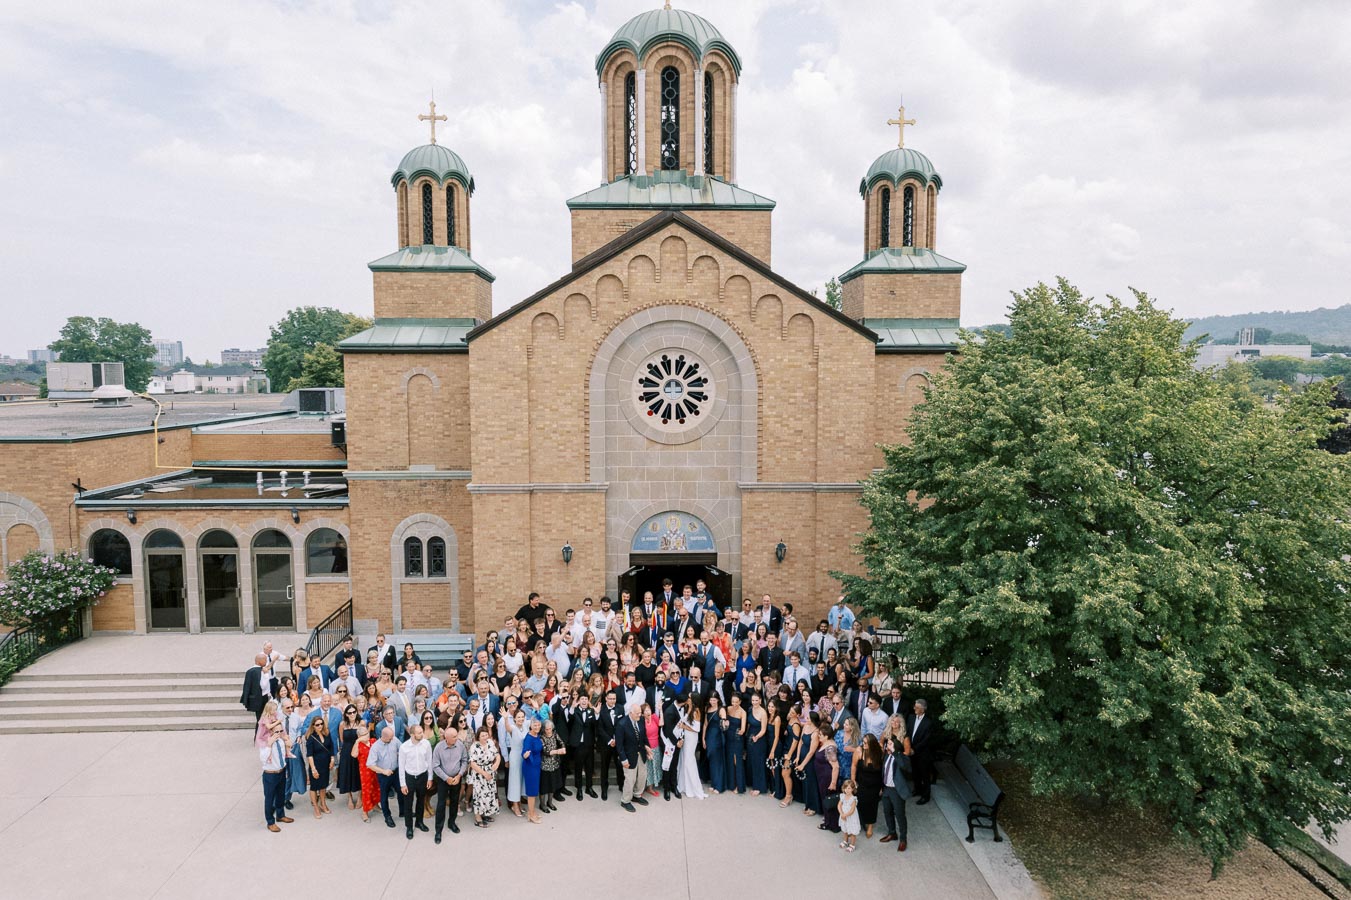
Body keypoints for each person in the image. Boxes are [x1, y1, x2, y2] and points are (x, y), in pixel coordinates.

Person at [431, 724, 468, 842]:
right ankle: (438, 830)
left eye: (456, 736)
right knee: (441, 804)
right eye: (454, 737)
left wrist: (459, 775)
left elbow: (464, 760)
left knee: (454, 802)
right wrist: (446, 778)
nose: (456, 738)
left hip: (456, 778)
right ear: (447, 738)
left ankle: (452, 823)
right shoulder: (438, 747)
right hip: (443, 780)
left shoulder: (460, 745)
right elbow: (435, 766)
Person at [614, 699, 651, 813]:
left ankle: (637, 795)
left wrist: (647, 747)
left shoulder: (640, 721)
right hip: (629, 756)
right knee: (630, 779)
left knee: (642, 776)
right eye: (637, 713)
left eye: (640, 713)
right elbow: (619, 745)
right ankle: (625, 801)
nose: (640, 715)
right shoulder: (622, 724)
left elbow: (643, 736)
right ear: (631, 713)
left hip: (641, 754)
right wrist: (624, 759)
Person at [398, 723, 433, 839]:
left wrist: (430, 778)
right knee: (408, 803)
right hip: (409, 778)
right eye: (419, 733)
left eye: (422, 732)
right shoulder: (404, 747)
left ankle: (419, 822)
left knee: (420, 800)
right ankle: (409, 827)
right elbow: (401, 767)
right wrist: (403, 784)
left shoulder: (426, 744)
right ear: (412, 734)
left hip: (422, 776)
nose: (422, 734)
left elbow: (429, 761)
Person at [879, 733, 913, 852]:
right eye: (887, 743)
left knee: (899, 815)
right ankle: (892, 833)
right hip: (886, 789)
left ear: (896, 746)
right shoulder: (886, 756)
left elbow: (905, 767)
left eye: (890, 743)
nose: (887, 745)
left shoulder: (902, 757)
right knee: (887, 812)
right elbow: (883, 771)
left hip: (897, 791)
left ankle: (903, 839)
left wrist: (894, 752)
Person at [260, 717, 294, 832]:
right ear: (270, 731)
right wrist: (269, 745)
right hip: (270, 774)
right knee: (269, 799)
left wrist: (288, 742)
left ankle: (280, 815)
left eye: (281, 731)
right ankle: (270, 822)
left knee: (281, 796)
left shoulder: (280, 740)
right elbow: (263, 759)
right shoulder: (265, 743)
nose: (279, 733)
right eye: (276, 731)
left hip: (281, 771)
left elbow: (285, 753)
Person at [367, 725, 403, 827]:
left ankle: (403, 812)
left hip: (395, 772)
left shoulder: (394, 739)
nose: (392, 740)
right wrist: (383, 771)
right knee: (384, 796)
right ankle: (387, 816)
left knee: (401, 792)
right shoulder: (375, 747)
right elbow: (370, 764)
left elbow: (402, 749)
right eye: (390, 738)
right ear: (384, 737)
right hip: (384, 775)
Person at [566, 693, 597, 800]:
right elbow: (569, 719)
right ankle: (579, 789)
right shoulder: (574, 711)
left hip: (588, 743)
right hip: (578, 744)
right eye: (582, 699)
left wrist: (596, 714)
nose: (584, 701)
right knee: (578, 767)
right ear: (579, 701)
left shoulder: (591, 711)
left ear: (588, 701)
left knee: (589, 767)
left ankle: (589, 787)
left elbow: (595, 725)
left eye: (586, 699)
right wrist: (572, 708)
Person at [468, 726, 501, 827]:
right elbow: (472, 763)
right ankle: (478, 819)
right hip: (479, 773)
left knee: (489, 794)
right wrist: (484, 773)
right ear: (478, 736)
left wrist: (496, 764)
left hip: (490, 771)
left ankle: (485, 813)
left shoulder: (490, 743)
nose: (485, 737)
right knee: (479, 795)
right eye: (482, 735)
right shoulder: (474, 746)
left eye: (486, 734)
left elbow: (497, 755)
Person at [676, 699, 706, 799]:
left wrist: (684, 726)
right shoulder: (689, 709)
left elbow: (697, 729)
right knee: (684, 760)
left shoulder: (696, 711)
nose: (687, 699)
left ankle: (693, 787)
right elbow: (684, 720)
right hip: (686, 736)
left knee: (689, 761)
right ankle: (684, 785)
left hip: (692, 737)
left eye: (689, 698)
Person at [596, 690, 623, 800]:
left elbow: (622, 725)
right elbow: (600, 729)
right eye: (610, 698)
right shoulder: (601, 710)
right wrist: (610, 740)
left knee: (619, 766)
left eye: (614, 699)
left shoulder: (620, 708)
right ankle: (604, 788)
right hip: (605, 744)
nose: (612, 701)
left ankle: (621, 785)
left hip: (618, 743)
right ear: (606, 699)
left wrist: (617, 739)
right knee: (604, 767)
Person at [814, 723, 841, 833]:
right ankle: (829, 820)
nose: (818, 736)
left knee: (828, 800)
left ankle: (831, 824)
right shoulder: (826, 743)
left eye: (820, 734)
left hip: (827, 777)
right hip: (822, 776)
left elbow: (835, 766)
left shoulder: (830, 748)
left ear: (826, 736)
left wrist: (833, 783)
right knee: (825, 799)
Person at [856, 734, 884, 839]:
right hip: (862, 783)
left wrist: (882, 787)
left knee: (873, 805)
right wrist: (853, 780)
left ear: (872, 744)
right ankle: (862, 821)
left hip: (875, 785)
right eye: (863, 742)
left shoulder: (879, 754)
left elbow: (883, 772)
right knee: (861, 803)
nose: (863, 745)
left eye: (866, 743)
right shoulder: (859, 751)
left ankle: (870, 826)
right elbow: (854, 766)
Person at [305, 715, 333, 818]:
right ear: (313, 725)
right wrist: (313, 769)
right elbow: (309, 755)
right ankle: (316, 807)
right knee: (314, 787)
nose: (320, 726)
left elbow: (331, 747)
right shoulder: (311, 737)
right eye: (317, 725)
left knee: (323, 786)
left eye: (321, 724)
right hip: (316, 765)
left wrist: (332, 759)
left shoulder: (326, 734)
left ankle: (323, 803)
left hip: (325, 765)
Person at [335, 704, 362, 809]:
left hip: (358, 750)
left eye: (354, 712)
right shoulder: (342, 724)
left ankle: (360, 796)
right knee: (347, 773)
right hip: (346, 750)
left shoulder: (361, 723)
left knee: (358, 773)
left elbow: (364, 737)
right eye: (350, 712)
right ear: (346, 714)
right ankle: (349, 797)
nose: (352, 714)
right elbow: (341, 738)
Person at [907, 698, 934, 804]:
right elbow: (908, 733)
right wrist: (909, 747)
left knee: (924, 775)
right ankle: (917, 789)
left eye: (917, 707)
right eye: (915, 706)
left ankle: (926, 795)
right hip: (911, 751)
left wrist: (914, 749)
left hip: (922, 753)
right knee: (915, 773)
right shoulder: (911, 717)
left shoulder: (928, 722)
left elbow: (926, 740)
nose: (914, 708)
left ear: (923, 709)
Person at [240, 653, 277, 728]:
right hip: (262, 698)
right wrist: (266, 674)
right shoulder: (261, 671)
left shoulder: (250, 671)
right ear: (260, 661)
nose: (266, 662)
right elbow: (263, 685)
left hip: (255, 699)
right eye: (265, 660)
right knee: (262, 720)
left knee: (259, 719)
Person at [353, 723, 379, 822]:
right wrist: (357, 741)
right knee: (367, 790)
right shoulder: (358, 745)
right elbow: (354, 755)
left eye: (367, 733)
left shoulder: (373, 741)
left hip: (376, 768)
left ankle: (376, 805)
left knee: (376, 788)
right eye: (363, 734)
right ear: (359, 736)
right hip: (365, 770)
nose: (366, 736)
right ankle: (365, 811)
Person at [521, 716, 544, 823]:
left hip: (537, 766)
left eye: (539, 725)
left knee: (534, 791)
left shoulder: (537, 735)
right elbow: (524, 751)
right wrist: (525, 755)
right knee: (531, 792)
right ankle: (531, 815)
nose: (537, 727)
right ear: (531, 725)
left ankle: (533, 812)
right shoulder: (528, 738)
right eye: (535, 725)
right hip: (530, 767)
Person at [539, 719, 565, 813]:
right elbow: (545, 751)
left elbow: (561, 742)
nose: (548, 731)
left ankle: (550, 802)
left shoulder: (554, 734)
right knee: (544, 786)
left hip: (554, 764)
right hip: (545, 765)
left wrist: (563, 747)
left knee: (552, 785)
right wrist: (557, 751)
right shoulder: (541, 738)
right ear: (544, 729)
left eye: (550, 728)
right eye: (546, 729)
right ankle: (542, 804)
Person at [747, 693, 770, 796]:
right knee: (751, 761)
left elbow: (763, 729)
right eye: (753, 700)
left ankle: (759, 787)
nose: (755, 702)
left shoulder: (763, 712)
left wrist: (756, 737)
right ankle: (752, 783)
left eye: (756, 700)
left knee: (758, 763)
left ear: (760, 701)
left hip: (759, 740)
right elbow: (748, 724)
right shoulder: (750, 709)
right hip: (750, 738)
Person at [703, 694, 727, 793]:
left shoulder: (721, 710)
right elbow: (705, 724)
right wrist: (703, 738)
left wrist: (725, 722)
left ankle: (719, 786)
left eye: (714, 700)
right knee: (711, 759)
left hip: (717, 736)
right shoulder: (707, 709)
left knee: (718, 760)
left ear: (718, 700)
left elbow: (724, 724)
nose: (712, 702)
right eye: (711, 700)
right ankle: (713, 783)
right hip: (709, 735)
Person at [725, 692, 747, 794]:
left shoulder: (743, 712)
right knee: (729, 760)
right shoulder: (728, 709)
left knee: (736, 760)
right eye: (733, 701)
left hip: (737, 738)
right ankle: (731, 784)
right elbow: (723, 721)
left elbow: (743, 728)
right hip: (728, 737)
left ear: (740, 702)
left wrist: (741, 732)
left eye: (736, 702)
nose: (734, 704)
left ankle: (739, 785)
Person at [838, 779, 860, 851]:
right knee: (845, 829)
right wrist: (841, 814)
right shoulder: (843, 796)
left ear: (853, 789)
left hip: (851, 817)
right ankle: (845, 841)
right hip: (843, 815)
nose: (847, 790)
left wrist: (845, 815)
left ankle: (852, 845)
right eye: (845, 788)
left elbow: (852, 810)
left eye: (849, 788)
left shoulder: (853, 799)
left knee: (852, 830)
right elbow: (839, 805)